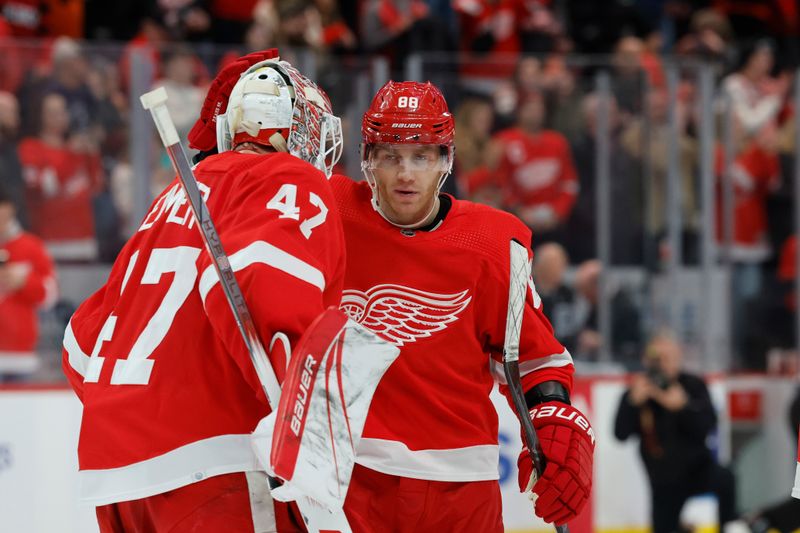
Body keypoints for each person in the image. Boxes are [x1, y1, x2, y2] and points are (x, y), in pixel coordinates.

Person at [61, 50, 346, 532]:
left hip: (119, 477)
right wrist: (303, 423)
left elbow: (82, 343)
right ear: (295, 129)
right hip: (218, 464)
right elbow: (264, 289)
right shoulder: (285, 178)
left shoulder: (172, 197)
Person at [331, 81, 594, 530]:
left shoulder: (492, 244)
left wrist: (555, 416)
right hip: (348, 478)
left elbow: (533, 358)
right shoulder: (328, 215)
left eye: (422, 156)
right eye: (390, 156)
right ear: (367, 159)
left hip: (459, 490)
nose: (406, 174)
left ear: (445, 162)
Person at [614, 333, 738, 533]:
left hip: (697, 469)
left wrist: (683, 407)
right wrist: (632, 404)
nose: (661, 364)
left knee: (726, 479)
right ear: (646, 360)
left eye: (667, 358)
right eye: (656, 358)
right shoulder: (638, 391)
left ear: (678, 359)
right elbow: (620, 434)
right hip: (662, 480)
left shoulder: (692, 385)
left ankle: (730, 528)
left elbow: (708, 426)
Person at [0, 185, 56, 380]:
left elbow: (50, 296)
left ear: (10, 210)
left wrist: (24, 282)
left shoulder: (31, 247)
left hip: (20, 357)